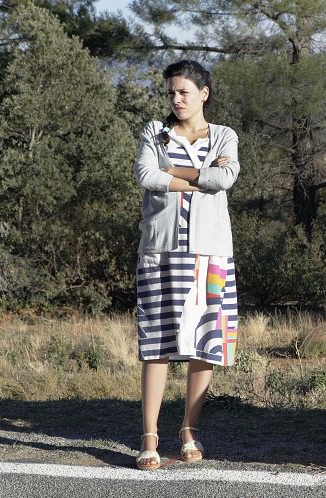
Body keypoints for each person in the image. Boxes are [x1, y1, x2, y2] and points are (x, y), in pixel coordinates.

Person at [133, 60, 240, 470]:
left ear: (203, 93)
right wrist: (200, 178)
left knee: (204, 343)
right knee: (156, 343)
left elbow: (225, 179)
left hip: (210, 253)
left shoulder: (224, 135)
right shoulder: (154, 132)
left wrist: (173, 171)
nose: (176, 99)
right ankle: (150, 435)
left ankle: (189, 430)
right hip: (160, 251)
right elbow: (147, 176)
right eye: (171, 93)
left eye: (183, 92)